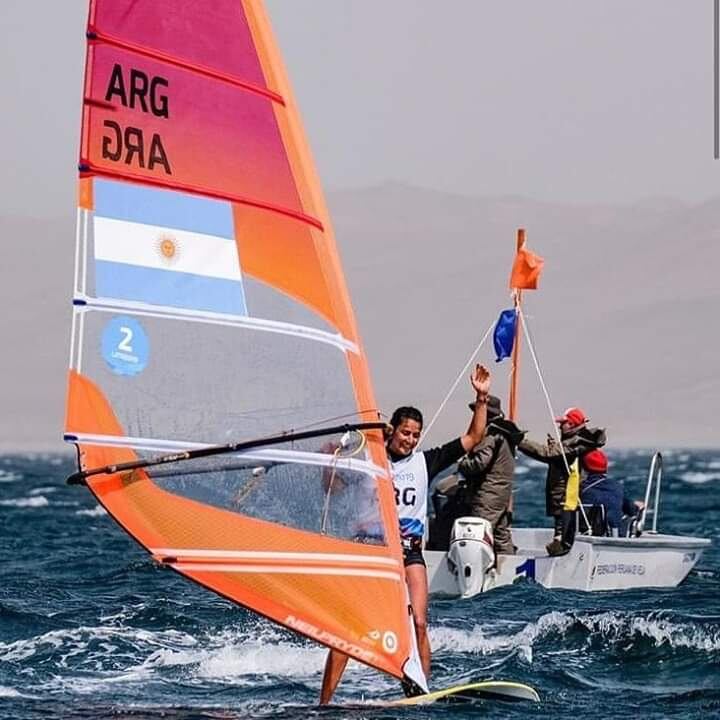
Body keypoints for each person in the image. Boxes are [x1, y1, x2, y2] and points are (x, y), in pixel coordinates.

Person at [319, 364, 491, 704]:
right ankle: (324, 701)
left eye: (415, 434)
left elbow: (473, 438)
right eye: (405, 433)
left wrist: (481, 398)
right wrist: (330, 459)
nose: (410, 439)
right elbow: (332, 487)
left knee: (420, 623)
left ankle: (418, 691)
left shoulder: (426, 461)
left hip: (410, 553)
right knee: (349, 628)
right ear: (392, 431)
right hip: (371, 550)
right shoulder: (370, 460)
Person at [517, 407, 606, 556]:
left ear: (571, 424)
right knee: (561, 534)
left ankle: (561, 562)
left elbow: (547, 454)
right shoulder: (578, 442)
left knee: (562, 539)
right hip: (565, 501)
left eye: (563, 423)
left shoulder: (577, 443)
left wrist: (519, 441)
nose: (559, 426)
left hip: (567, 502)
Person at [454, 395, 526, 555]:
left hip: (487, 496)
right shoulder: (506, 434)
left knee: (477, 535)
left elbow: (479, 463)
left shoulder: (491, 435)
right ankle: (507, 571)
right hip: (502, 495)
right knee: (501, 536)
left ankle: (475, 576)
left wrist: (461, 462)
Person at [579, 449, 643, 534]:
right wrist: (637, 506)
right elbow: (631, 510)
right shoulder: (616, 487)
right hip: (613, 535)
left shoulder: (579, 489)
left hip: (584, 534)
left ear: (584, 469)